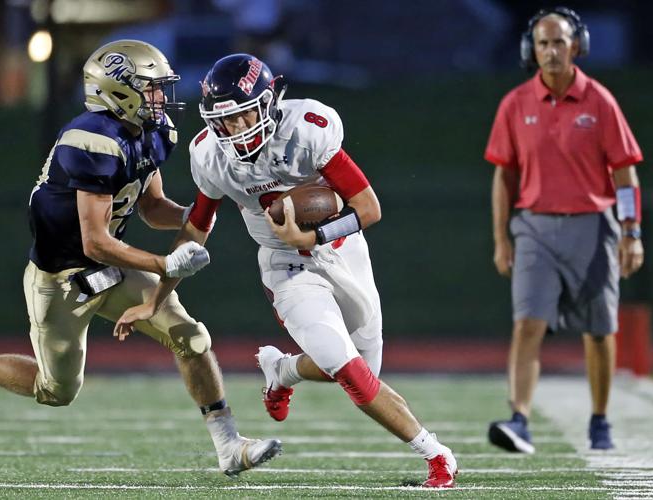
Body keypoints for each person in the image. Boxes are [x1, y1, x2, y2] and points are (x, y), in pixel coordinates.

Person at [0, 40, 281, 476]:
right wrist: (165, 265)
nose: (161, 98)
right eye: (151, 88)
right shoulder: (91, 140)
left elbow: (152, 209)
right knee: (55, 389)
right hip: (62, 276)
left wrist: (197, 214)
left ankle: (229, 446)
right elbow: (93, 241)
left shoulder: (153, 131)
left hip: (113, 267)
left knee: (191, 337)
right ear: (119, 91)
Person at [114, 53, 459, 488]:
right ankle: (436, 455)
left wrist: (314, 236)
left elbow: (368, 208)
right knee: (348, 370)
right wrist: (154, 300)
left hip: (342, 250)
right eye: (225, 122)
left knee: (365, 366)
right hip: (285, 266)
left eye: (243, 116)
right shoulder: (210, 155)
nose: (235, 130)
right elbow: (195, 232)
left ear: (270, 101)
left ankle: (284, 370)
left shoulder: (307, 128)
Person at [484, 8, 644, 453]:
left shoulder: (600, 101)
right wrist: (502, 238)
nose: (550, 52)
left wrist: (632, 232)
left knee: (599, 329)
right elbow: (504, 177)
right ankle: (519, 421)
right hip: (533, 227)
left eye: (559, 42)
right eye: (542, 43)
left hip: (593, 228)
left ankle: (599, 420)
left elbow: (626, 173)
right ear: (530, 50)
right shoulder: (515, 104)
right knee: (527, 323)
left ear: (577, 46)